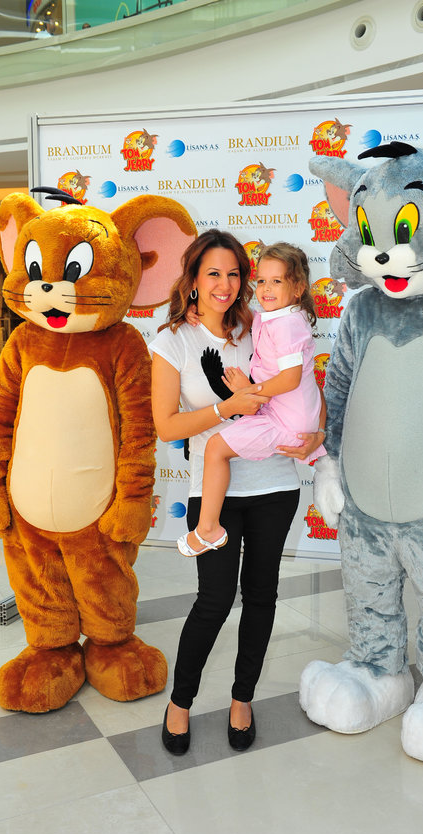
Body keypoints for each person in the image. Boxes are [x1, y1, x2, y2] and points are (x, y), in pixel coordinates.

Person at [149, 230, 325, 754]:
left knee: (262, 597)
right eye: (213, 273)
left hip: (275, 485)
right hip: (215, 493)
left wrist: (317, 434)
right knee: (214, 600)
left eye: (233, 274)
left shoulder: (264, 322)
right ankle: (180, 702)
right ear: (193, 280)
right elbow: (167, 425)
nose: (225, 284)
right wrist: (227, 407)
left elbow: (304, 384)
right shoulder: (173, 340)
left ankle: (242, 698)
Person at [178, 242, 326, 557]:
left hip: (286, 423)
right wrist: (195, 307)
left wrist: (249, 390)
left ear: (298, 288)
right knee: (217, 448)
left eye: (277, 281)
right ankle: (209, 527)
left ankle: (207, 529)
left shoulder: (286, 325)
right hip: (283, 415)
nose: (266, 289)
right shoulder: (276, 316)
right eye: (261, 281)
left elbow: (291, 379)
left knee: (215, 448)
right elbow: (246, 316)